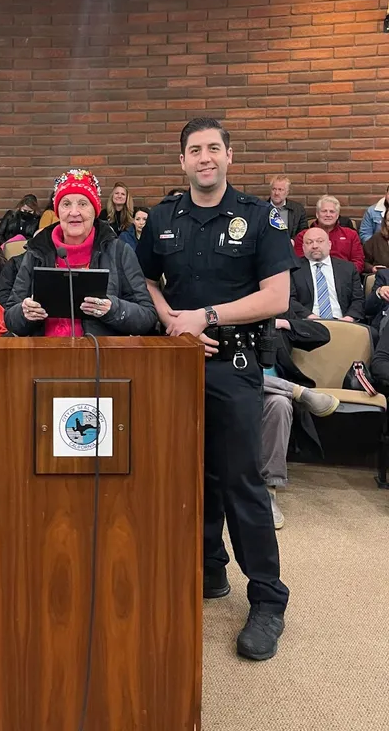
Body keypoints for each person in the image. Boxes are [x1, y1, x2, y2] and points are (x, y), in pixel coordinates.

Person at [137, 116, 292, 662]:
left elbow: (276, 296)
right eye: (194, 150)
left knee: (240, 480)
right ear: (182, 161)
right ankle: (207, 568)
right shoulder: (160, 218)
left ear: (229, 156)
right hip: (176, 364)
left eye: (213, 149)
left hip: (234, 362)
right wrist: (175, 324)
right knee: (182, 472)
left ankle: (268, 599)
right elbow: (147, 280)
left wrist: (205, 317)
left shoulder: (260, 219)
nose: (204, 158)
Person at [5, 170, 157, 337]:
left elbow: (147, 317)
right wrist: (24, 313)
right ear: (58, 211)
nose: (74, 212)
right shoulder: (37, 251)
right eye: (66, 204)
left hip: (100, 357)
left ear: (95, 210)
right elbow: (11, 318)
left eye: (83, 204)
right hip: (44, 354)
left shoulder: (119, 252)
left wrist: (112, 309)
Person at [261, 316, 337, 530]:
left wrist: (285, 324)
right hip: (231, 387)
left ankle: (268, 491)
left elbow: (322, 333)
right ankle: (296, 391)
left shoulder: (274, 308)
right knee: (236, 376)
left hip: (267, 394)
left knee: (280, 405)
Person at [290, 229, 364, 322]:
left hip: (343, 321)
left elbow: (358, 299)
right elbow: (289, 300)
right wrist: (309, 316)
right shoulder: (293, 269)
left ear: (329, 244)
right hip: (307, 322)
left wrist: (348, 318)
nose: (315, 246)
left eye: (320, 241)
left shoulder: (348, 268)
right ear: (303, 247)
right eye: (309, 242)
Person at [293, 196, 364, 273]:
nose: (328, 215)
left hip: (345, 277)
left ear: (337, 215)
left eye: (332, 211)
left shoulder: (351, 235)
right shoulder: (303, 236)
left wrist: (345, 275)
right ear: (317, 214)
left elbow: (358, 261)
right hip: (312, 277)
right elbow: (299, 262)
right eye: (324, 211)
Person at [362, 207, 389, 273]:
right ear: (385, 222)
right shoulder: (376, 239)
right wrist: (372, 268)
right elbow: (363, 261)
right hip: (383, 280)